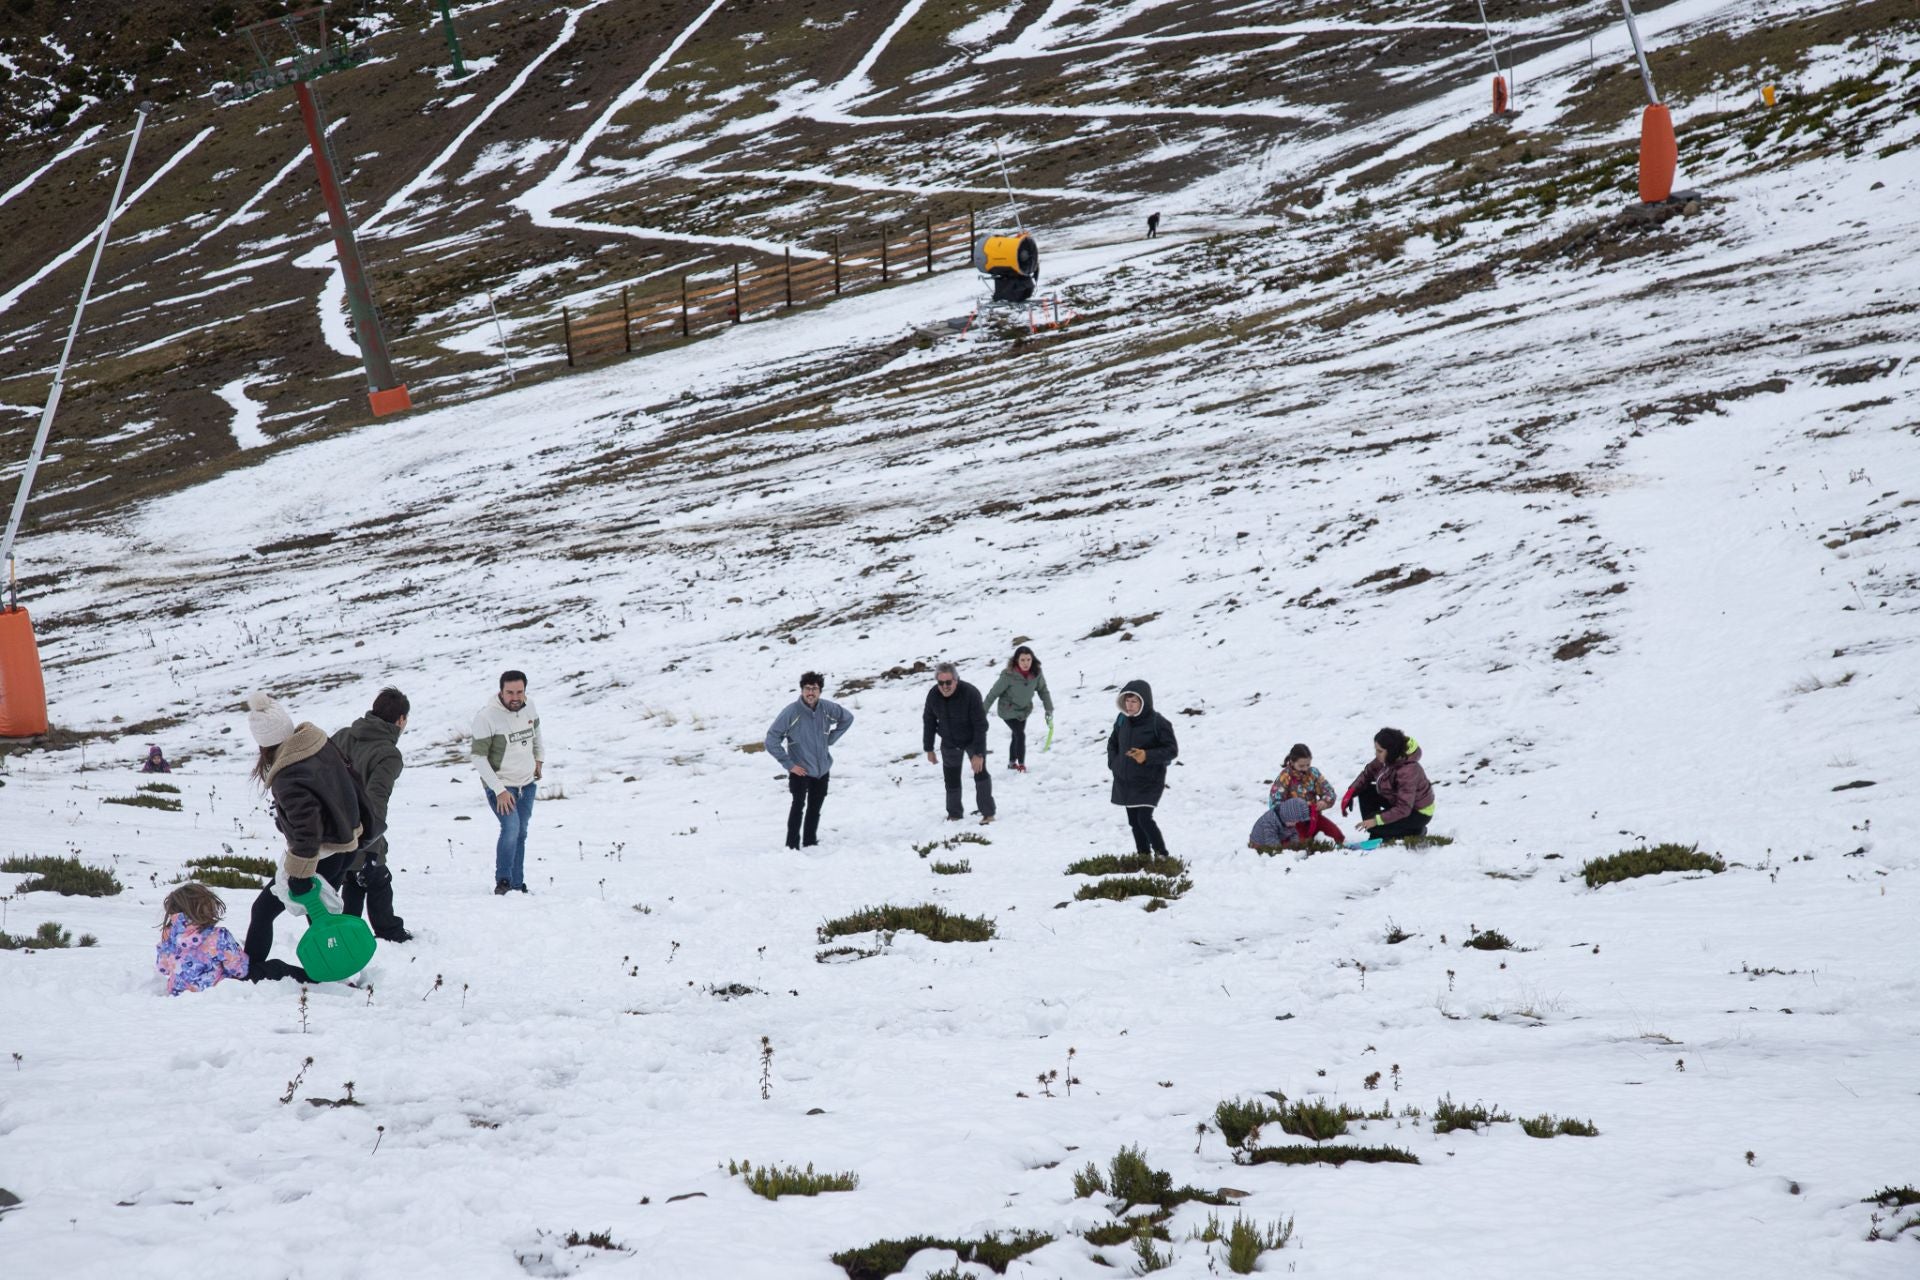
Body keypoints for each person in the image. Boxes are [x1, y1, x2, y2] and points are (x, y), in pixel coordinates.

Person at [242, 692, 382, 982]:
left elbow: (308, 831)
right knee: (321, 918)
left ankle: (248, 971)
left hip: (321, 855)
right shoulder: (318, 745)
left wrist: (299, 875)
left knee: (265, 911)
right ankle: (337, 971)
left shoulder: (288, 774)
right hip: (345, 846)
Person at [331, 687, 412, 942]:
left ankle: (349, 930)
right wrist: (371, 851)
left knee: (354, 878)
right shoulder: (388, 754)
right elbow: (376, 803)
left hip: (330, 826)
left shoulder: (343, 736)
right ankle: (389, 932)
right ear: (401, 720)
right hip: (360, 830)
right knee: (376, 875)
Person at [157, 881, 306, 994]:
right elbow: (239, 970)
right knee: (275, 967)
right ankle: (311, 980)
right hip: (220, 989)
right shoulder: (218, 936)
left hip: (178, 992)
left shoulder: (168, 936)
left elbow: (163, 968)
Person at [764, 671, 854, 850]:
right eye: (807, 688)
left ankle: (810, 842)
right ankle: (791, 846)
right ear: (802, 690)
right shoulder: (791, 712)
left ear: (820, 691)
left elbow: (847, 718)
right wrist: (790, 765)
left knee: (815, 807)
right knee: (798, 807)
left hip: (822, 768)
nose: (810, 692)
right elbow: (771, 739)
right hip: (800, 769)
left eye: (814, 689)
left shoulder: (827, 708)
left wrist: (831, 739)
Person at [473, 669, 544, 895]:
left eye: (519, 692)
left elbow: (537, 735)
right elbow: (478, 757)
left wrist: (539, 760)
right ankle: (503, 881)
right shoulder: (486, 717)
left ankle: (516, 883)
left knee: (521, 832)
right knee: (511, 828)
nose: (515, 697)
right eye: (510, 692)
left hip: (527, 784)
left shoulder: (529, 706)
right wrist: (500, 790)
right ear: (501, 691)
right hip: (502, 785)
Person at [1108, 679, 1177, 857]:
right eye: (1127, 701)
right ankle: (1143, 856)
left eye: (1134, 701)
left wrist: (1147, 755)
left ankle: (1162, 854)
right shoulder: (1122, 719)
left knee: (1144, 819)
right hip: (1125, 780)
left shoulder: (1158, 722)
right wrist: (1114, 763)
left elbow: (1171, 750)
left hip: (1149, 780)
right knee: (1133, 821)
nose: (1129, 706)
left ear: (1144, 701)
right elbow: (1112, 742)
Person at [923, 662, 995, 824]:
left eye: (948, 682)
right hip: (949, 741)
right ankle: (954, 814)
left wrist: (978, 754)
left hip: (972, 739)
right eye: (941, 683)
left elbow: (980, 725)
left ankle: (988, 813)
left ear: (956, 680)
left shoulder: (970, 693)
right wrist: (929, 748)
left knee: (980, 773)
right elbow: (929, 721)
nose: (945, 687)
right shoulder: (933, 695)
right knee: (951, 778)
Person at [1341, 727, 1435, 842]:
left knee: (1374, 824)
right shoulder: (1388, 758)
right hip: (1398, 801)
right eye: (1376, 750)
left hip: (1418, 812)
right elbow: (1368, 773)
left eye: (1380, 751)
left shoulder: (1408, 771)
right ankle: (1380, 831)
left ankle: (1415, 832)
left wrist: (1376, 821)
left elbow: (1404, 808)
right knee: (1365, 791)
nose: (1376, 754)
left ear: (1391, 751)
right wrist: (1350, 793)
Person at [982, 645, 1054, 773]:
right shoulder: (1008, 675)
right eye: (1022, 660)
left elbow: (1043, 690)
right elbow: (993, 694)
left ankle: (1011, 763)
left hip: (1024, 710)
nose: (1026, 663)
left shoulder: (1036, 673)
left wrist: (1048, 709)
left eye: (1028, 659)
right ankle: (1021, 764)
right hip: (1007, 710)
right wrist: (982, 712)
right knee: (1020, 734)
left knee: (1016, 736)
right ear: (1016, 660)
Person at [1270, 744, 1345, 845]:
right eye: (1301, 766)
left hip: (1313, 818)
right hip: (1293, 823)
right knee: (1299, 844)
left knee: (1338, 837)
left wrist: (1324, 802)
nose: (1305, 768)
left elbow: (1329, 791)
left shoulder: (1313, 773)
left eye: (1308, 765)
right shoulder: (1285, 777)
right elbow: (1275, 803)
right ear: (1292, 762)